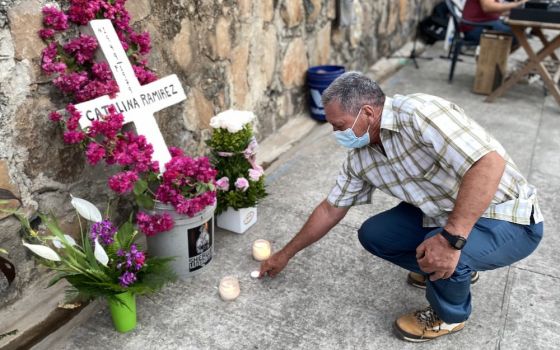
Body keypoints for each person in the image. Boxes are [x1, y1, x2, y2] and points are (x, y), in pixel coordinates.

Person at [259, 72, 543, 342]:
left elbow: (489, 164)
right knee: (375, 234)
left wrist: (451, 242)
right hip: (444, 211)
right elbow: (330, 209)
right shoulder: (361, 156)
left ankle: (450, 316)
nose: (336, 134)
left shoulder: (421, 113)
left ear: (368, 113)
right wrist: (285, 254)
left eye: (340, 126)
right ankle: (451, 268)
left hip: (507, 216)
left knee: (442, 246)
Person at [461, 0, 527, 44]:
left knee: (519, 33)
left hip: (483, 24)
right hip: (475, 28)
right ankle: (493, 61)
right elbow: (488, 7)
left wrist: (518, 12)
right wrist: (516, 4)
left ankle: (494, 60)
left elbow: (495, 10)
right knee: (518, 34)